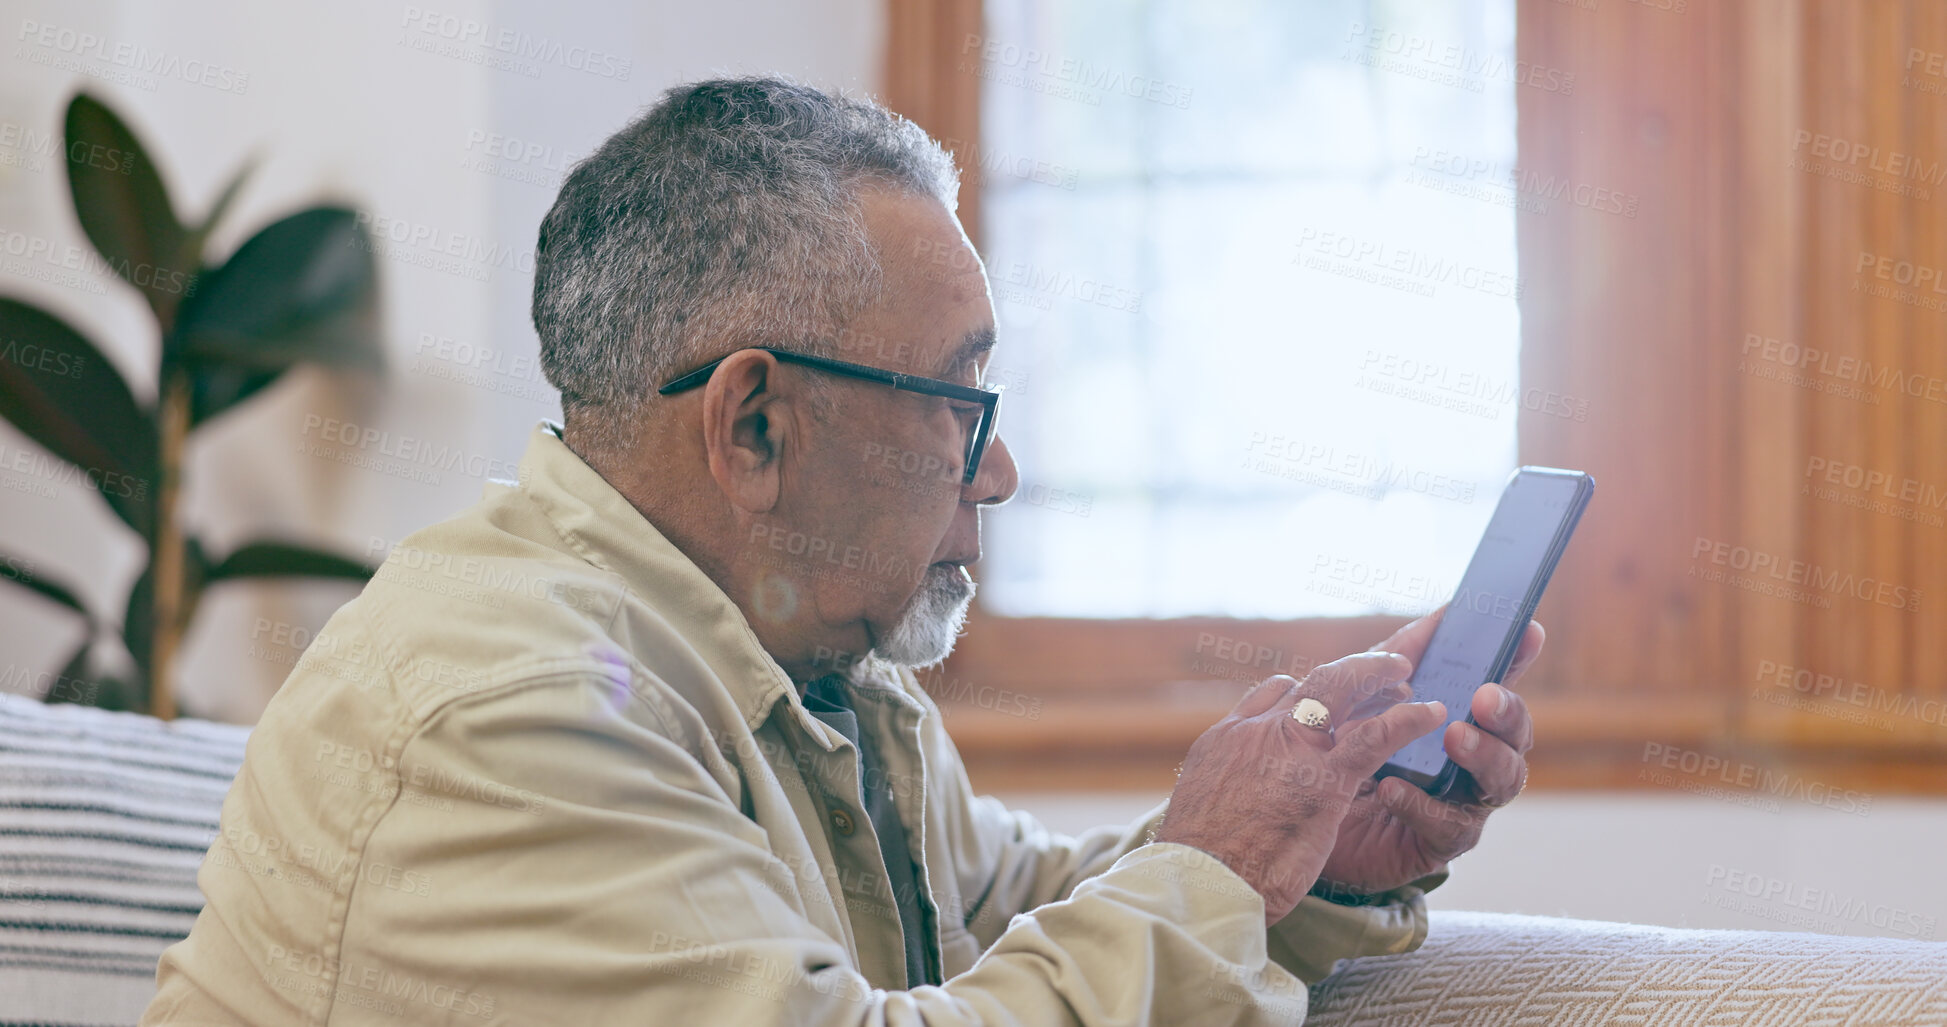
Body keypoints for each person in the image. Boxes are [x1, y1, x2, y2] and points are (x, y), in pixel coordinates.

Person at [143, 76, 1540, 1025]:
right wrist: (1218, 871)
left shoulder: (808, 655)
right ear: (753, 423)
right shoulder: (511, 710)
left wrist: (1315, 858)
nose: (998, 471)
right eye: (958, 401)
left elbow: (1008, 928)